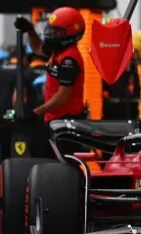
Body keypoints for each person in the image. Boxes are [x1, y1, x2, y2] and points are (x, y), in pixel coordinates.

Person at [14, 8, 87, 158]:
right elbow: (37, 48)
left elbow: (62, 97)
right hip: (53, 120)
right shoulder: (58, 51)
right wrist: (30, 30)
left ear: (71, 33)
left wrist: (36, 112)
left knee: (62, 165)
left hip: (66, 124)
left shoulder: (69, 60)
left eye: (57, 32)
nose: (52, 34)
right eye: (51, 30)